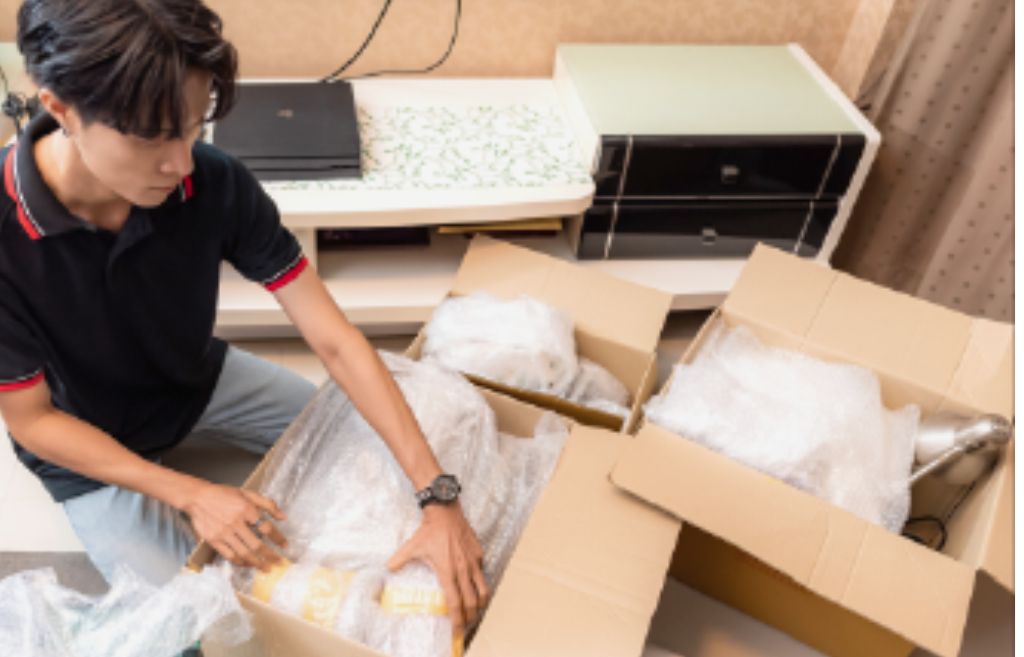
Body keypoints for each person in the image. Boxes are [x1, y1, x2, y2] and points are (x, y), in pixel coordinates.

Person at [0, 0, 488, 640]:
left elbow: (336, 340)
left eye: (191, 128)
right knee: (206, 626)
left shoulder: (213, 180)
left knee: (374, 461)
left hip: (195, 381)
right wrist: (192, 493)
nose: (180, 164)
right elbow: (33, 421)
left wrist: (438, 495)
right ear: (60, 108)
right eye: (151, 138)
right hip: (83, 439)